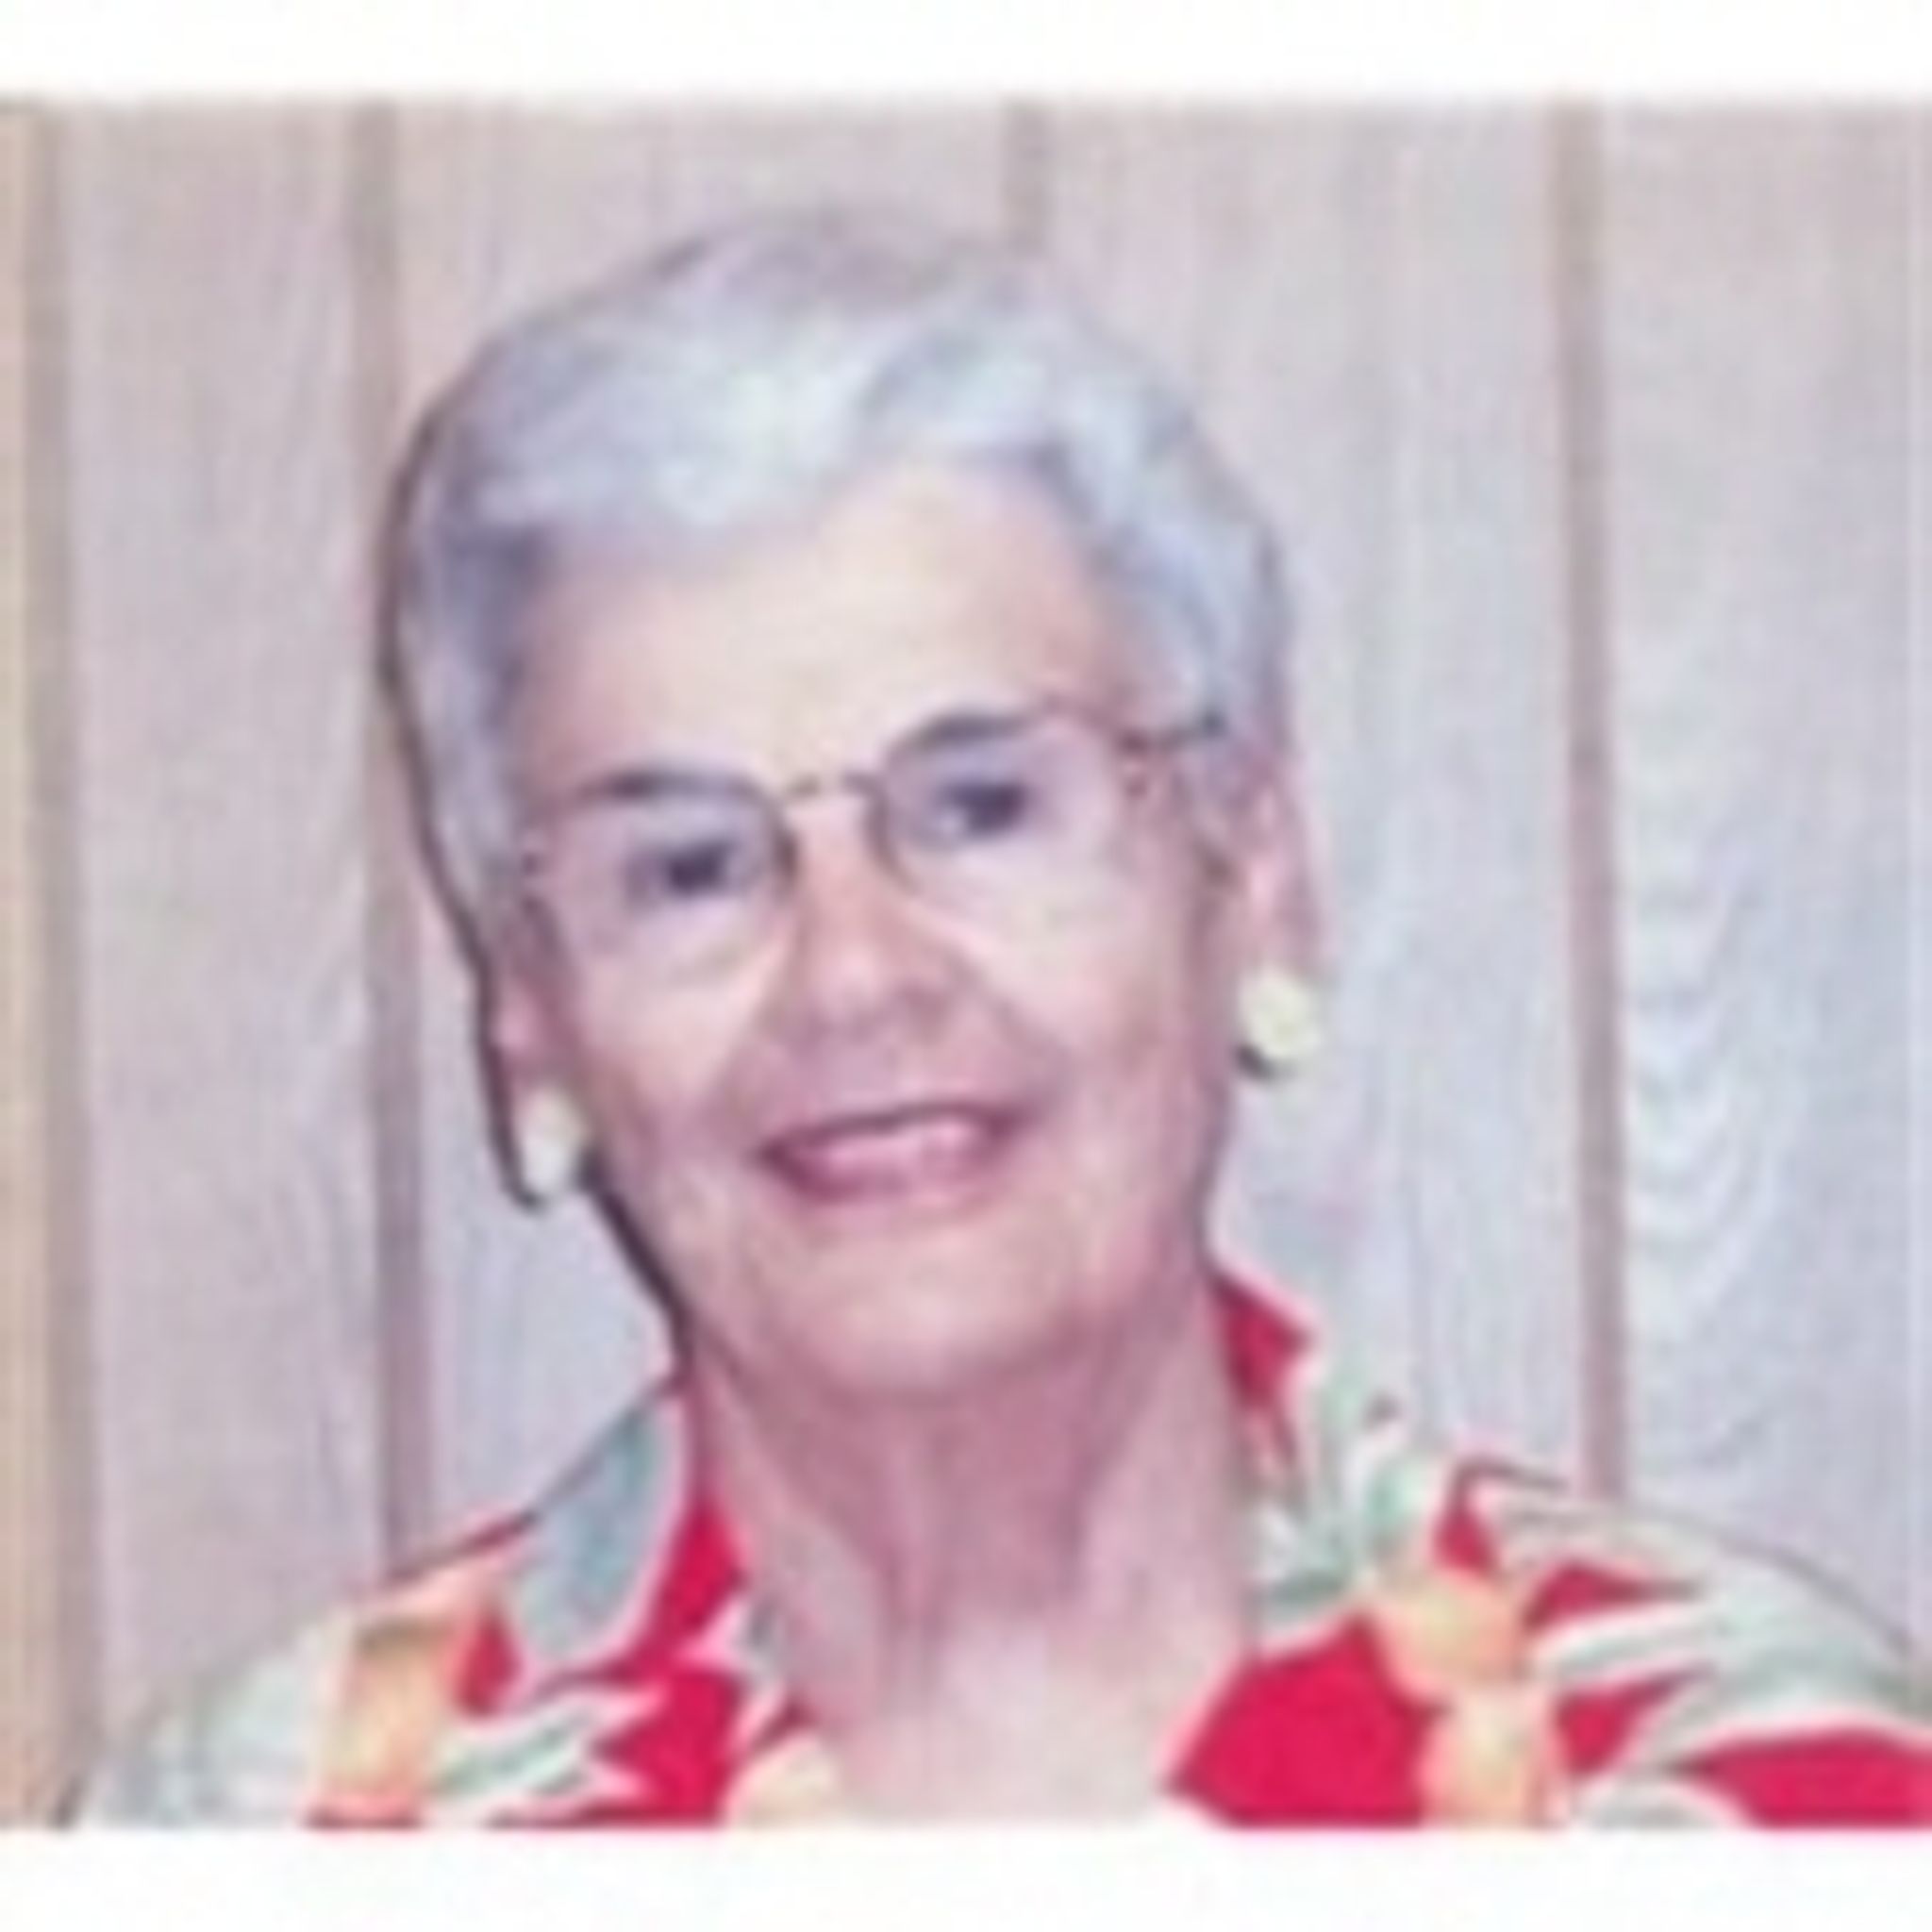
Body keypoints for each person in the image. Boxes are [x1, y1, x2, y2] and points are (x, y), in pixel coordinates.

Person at [73, 207, 1928, 1825]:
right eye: (690, 865)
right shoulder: (259, 1841)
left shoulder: (1765, 1789)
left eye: (980, 807)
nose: (854, 973)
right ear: (530, 1015)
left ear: (1251, 871)